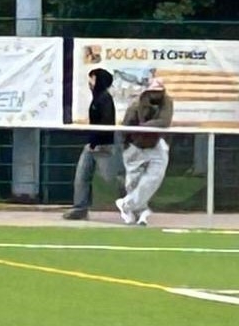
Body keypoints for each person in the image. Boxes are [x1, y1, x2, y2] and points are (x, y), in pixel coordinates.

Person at [63, 68, 123, 220]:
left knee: (112, 178)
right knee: (82, 176)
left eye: (92, 78)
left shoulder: (105, 99)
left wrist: (97, 141)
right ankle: (80, 208)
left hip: (104, 146)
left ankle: (133, 204)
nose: (89, 82)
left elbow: (106, 123)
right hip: (92, 145)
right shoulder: (96, 98)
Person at [116, 77, 173, 226]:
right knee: (133, 183)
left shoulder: (167, 101)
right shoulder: (136, 105)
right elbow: (126, 127)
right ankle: (138, 212)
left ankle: (126, 204)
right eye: (153, 91)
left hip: (155, 144)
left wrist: (144, 127)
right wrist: (127, 146)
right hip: (135, 145)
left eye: (159, 91)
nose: (157, 95)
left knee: (154, 177)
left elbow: (164, 122)